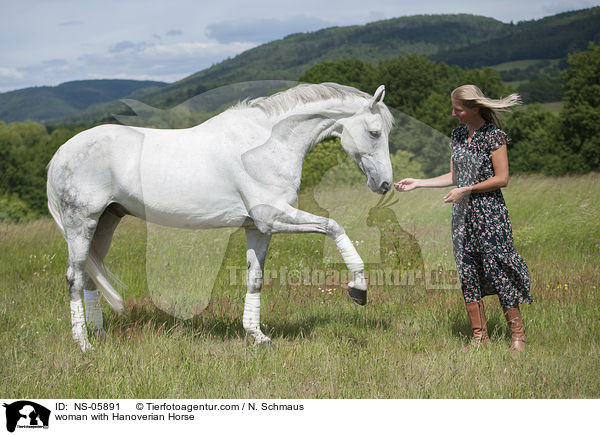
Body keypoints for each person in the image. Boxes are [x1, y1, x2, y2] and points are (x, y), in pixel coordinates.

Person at [394, 84, 533, 351]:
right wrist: (419, 183)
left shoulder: (494, 136)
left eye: (458, 110)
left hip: (490, 215)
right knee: (468, 274)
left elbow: (502, 179)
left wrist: (468, 189)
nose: (454, 114)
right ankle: (480, 337)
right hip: (462, 217)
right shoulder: (458, 135)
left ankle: (518, 336)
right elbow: (455, 178)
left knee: (498, 270)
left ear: (474, 109)